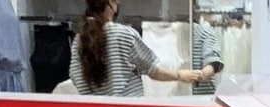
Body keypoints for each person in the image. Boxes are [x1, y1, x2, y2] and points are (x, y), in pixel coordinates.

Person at [69, 0, 212, 95]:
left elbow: (75, 76)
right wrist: (180, 75)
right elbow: (153, 70)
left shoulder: (80, 39)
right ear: (111, 3)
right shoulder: (125, 34)